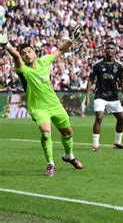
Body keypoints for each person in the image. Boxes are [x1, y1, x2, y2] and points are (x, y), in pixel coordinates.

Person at [0, 26, 84, 177]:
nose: (26, 55)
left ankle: (69, 156)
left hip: (55, 104)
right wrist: (6, 44)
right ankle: (50, 163)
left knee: (67, 132)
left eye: (29, 51)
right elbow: (16, 58)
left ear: (34, 52)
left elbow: (60, 51)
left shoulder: (44, 61)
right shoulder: (23, 70)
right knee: (46, 133)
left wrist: (72, 39)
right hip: (39, 107)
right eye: (24, 53)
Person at [85, 40, 123, 151]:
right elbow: (90, 80)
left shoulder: (118, 66)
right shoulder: (98, 65)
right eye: (107, 48)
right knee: (99, 117)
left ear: (115, 51)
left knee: (122, 119)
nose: (109, 50)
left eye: (112, 48)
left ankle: (118, 142)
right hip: (100, 96)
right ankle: (95, 144)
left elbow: (122, 81)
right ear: (104, 50)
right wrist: (87, 96)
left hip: (113, 97)